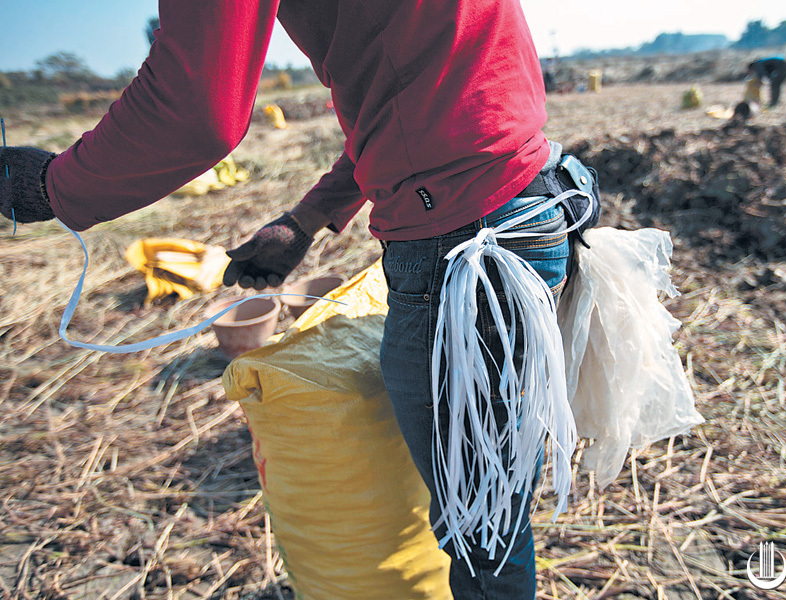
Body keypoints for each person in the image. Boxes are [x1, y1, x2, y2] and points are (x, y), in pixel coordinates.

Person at [0, 2, 600, 597]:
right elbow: (418, 91)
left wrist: (52, 186)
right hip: (533, 196)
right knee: (488, 498)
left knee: (480, 529)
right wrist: (307, 219)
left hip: (465, 242)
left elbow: (196, 108)